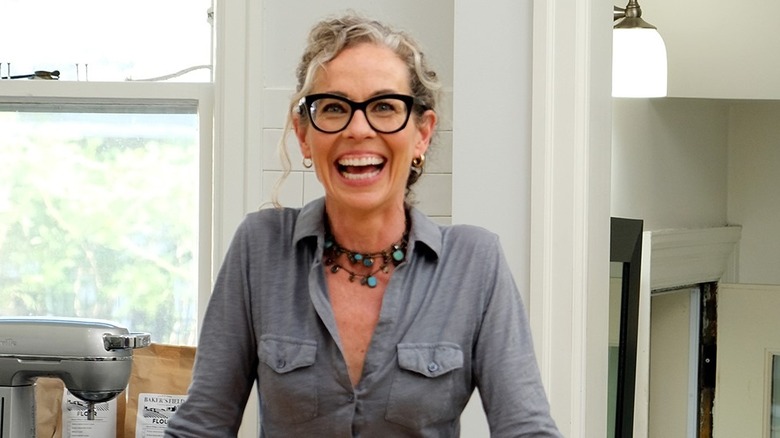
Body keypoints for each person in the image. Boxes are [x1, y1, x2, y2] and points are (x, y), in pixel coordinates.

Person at [165, 13, 561, 437]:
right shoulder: (259, 248)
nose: (358, 129)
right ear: (304, 134)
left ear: (422, 134)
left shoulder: (474, 262)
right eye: (334, 108)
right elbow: (201, 427)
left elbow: (528, 430)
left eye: (384, 107)